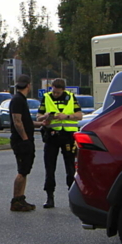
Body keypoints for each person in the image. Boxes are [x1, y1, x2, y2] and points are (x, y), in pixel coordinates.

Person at [36, 78, 83, 208]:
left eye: (58, 92)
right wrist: (45, 116)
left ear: (63, 90)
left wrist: (66, 116)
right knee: (49, 168)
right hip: (52, 136)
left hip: (68, 136)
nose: (55, 94)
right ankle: (49, 197)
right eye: (54, 91)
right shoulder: (47, 97)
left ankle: (72, 198)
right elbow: (38, 116)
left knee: (70, 168)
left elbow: (80, 115)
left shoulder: (71, 97)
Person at [9, 74, 37, 212]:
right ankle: (15, 201)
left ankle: (21, 198)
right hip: (21, 141)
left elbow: (25, 121)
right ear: (28, 85)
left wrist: (41, 123)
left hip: (26, 139)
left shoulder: (21, 99)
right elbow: (17, 121)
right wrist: (25, 139)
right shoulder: (17, 100)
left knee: (25, 170)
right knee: (22, 171)